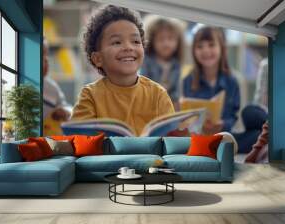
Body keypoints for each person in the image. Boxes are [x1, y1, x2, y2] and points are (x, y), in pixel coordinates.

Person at [71, 5, 175, 136]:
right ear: (98, 58)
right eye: (116, 42)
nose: (128, 47)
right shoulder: (90, 95)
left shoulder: (158, 95)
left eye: (136, 41)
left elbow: (171, 141)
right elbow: (77, 139)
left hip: (151, 157)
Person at [182, 26, 240, 134]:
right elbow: (187, 117)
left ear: (222, 48)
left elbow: (233, 115)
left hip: (224, 135)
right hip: (198, 136)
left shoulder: (232, 81)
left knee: (252, 136)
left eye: (211, 45)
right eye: (200, 46)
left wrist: (223, 124)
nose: (206, 50)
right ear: (194, 51)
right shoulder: (188, 81)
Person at [140, 16, 184, 110]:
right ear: (152, 41)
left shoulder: (176, 64)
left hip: (167, 107)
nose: (166, 43)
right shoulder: (146, 61)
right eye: (161, 39)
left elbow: (175, 94)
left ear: (178, 41)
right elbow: (143, 86)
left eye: (171, 39)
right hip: (148, 105)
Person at [43, 38, 72, 135]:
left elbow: (65, 106)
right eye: (42, 56)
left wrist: (65, 111)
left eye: (47, 55)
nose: (47, 60)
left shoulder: (52, 87)